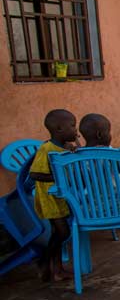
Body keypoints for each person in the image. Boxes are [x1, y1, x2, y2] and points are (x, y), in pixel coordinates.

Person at [29, 109, 78, 282]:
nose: (76, 131)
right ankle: (43, 262)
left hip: (60, 197)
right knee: (63, 233)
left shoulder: (65, 147)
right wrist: (59, 177)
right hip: (49, 199)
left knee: (58, 233)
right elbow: (35, 174)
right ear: (59, 129)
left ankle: (57, 270)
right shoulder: (46, 149)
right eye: (72, 126)